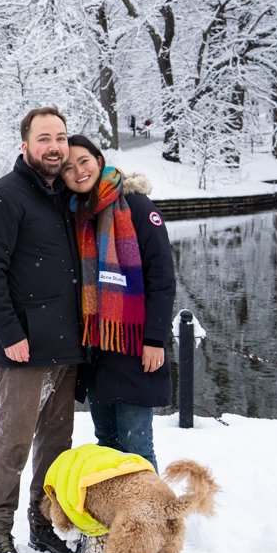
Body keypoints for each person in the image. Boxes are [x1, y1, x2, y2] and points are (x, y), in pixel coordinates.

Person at [0, 106, 87, 553]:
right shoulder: (4, 196)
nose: (54, 146)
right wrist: (9, 332)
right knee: (15, 440)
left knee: (57, 442)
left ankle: (43, 523)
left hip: (66, 344)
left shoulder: (67, 196)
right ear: (25, 145)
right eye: (44, 138)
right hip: (22, 346)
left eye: (60, 137)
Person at [60, 135, 177, 471]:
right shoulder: (78, 217)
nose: (78, 171)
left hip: (133, 344)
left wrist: (155, 340)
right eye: (68, 167)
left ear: (99, 160)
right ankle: (118, 519)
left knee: (136, 446)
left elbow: (162, 278)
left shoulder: (136, 206)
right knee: (108, 444)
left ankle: (150, 519)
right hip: (98, 349)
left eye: (83, 161)